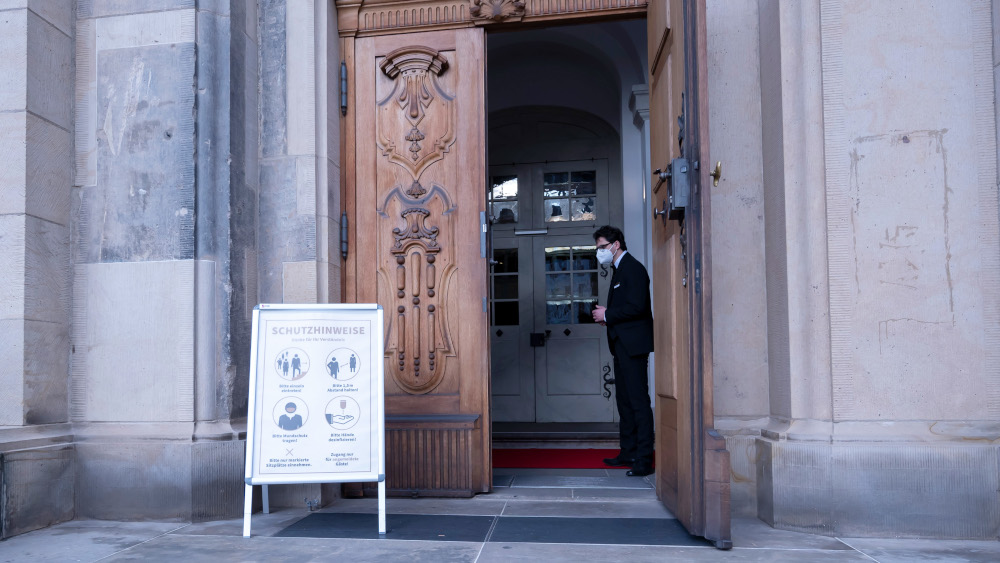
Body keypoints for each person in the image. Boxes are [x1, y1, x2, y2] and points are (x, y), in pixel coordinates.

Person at [591, 225, 655, 477]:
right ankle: (628, 452)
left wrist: (608, 314)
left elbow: (638, 307)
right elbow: (626, 308)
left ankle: (644, 460)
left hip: (633, 346)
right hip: (621, 344)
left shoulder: (633, 268)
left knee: (638, 402)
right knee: (625, 402)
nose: (599, 252)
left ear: (616, 245)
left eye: (602, 247)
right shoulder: (619, 269)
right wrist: (609, 316)